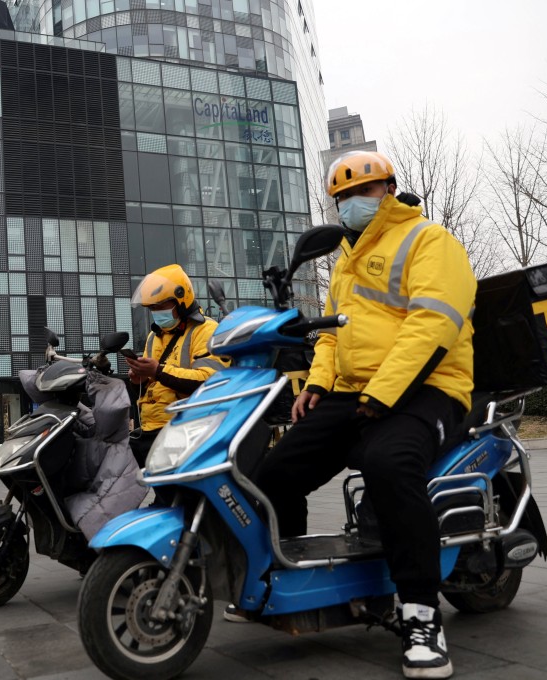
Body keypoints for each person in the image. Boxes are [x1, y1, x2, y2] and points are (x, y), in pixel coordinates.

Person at [226, 151, 475, 680]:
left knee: (389, 464)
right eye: (343, 197)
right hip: (359, 394)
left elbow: (433, 325)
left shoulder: (429, 239)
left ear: (389, 189)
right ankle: (279, 581)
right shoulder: (343, 261)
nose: (354, 203)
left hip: (429, 388)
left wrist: (381, 396)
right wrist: (317, 386)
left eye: (365, 191)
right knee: (270, 473)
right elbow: (334, 336)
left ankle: (422, 614)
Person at [124, 264, 229, 467]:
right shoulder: (153, 338)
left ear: (181, 300)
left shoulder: (206, 330)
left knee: (183, 496)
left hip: (187, 430)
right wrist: (140, 380)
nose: (156, 312)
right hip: (152, 430)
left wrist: (157, 371)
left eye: (161, 305)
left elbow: (210, 380)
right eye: (152, 308)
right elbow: (151, 388)